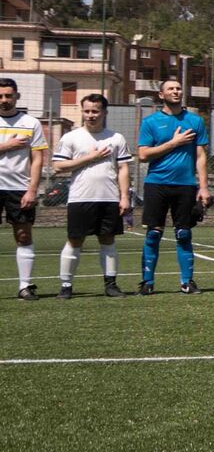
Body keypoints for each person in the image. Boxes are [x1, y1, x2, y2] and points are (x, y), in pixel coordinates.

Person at [52, 92, 129, 299]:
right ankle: (66, 285)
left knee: (108, 240)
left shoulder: (116, 138)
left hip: (109, 198)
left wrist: (124, 197)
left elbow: (123, 169)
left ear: (104, 112)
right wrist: (91, 157)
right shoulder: (71, 137)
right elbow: (58, 165)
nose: (90, 115)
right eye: (86, 111)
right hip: (80, 198)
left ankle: (111, 284)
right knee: (75, 240)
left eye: (95, 111)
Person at [135, 76, 209, 295]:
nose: (176, 91)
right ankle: (147, 282)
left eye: (178, 88)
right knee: (153, 234)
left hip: (185, 185)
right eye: (171, 89)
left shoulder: (195, 121)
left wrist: (203, 186)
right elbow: (143, 154)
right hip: (156, 184)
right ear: (161, 94)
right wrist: (173, 143)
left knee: (183, 233)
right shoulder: (150, 122)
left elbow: (201, 156)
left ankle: (187, 281)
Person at [0, 78, 50, 301]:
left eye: (8, 96)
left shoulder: (31, 123)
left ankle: (25, 286)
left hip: (19, 188)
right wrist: (6, 146)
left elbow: (38, 159)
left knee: (23, 235)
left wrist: (32, 189)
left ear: (17, 96)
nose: (4, 100)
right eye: (0, 96)